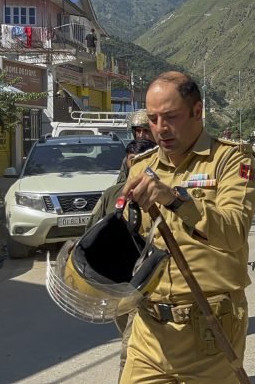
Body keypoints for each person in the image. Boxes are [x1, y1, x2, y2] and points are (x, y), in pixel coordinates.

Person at [120, 71, 255, 383]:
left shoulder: (231, 160)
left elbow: (234, 231)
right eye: (153, 119)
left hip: (209, 328)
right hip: (149, 331)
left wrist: (175, 199)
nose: (160, 128)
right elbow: (132, 240)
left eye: (170, 117)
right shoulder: (141, 166)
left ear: (197, 111)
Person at [84, 137, 156, 380]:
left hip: (147, 283)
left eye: (142, 161)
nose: (136, 166)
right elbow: (93, 230)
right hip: (118, 283)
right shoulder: (113, 194)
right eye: (132, 161)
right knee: (129, 334)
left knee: (130, 346)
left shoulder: (163, 194)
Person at [117, 110, 156, 183]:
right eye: (138, 131)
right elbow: (121, 183)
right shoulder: (129, 157)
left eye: (146, 131)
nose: (141, 135)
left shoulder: (163, 154)